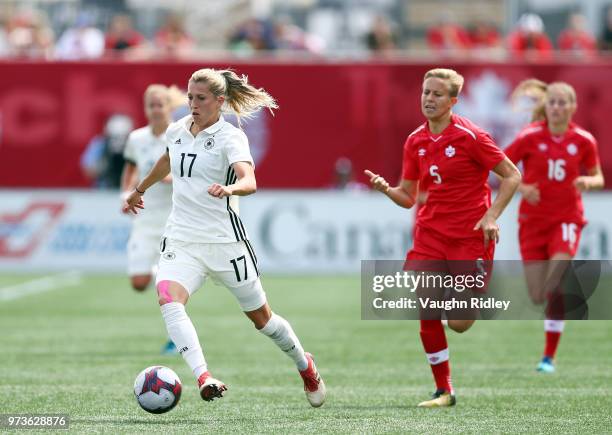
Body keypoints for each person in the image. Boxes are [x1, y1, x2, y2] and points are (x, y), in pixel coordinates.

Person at [124, 68, 326, 406]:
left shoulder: (231, 137)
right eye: (190, 97)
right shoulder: (177, 130)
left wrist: (231, 187)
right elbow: (166, 160)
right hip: (182, 240)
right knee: (168, 299)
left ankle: (305, 366)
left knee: (264, 321)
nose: (193, 104)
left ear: (220, 101)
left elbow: (250, 180)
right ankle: (204, 377)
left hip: (225, 244)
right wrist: (139, 189)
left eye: (200, 98)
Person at [365, 68, 521, 407]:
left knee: (460, 323)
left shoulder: (471, 137)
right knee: (427, 308)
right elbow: (409, 196)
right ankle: (444, 390)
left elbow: (512, 175)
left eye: (437, 94)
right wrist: (387, 190)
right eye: (425, 92)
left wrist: (491, 216)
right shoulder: (415, 140)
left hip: (469, 236)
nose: (429, 99)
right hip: (430, 234)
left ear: (453, 101)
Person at [504, 82, 604, 373]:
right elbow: (501, 167)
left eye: (563, 103)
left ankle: (548, 356)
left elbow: (597, 176)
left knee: (556, 283)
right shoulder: (529, 137)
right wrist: (522, 187)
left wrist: (588, 181)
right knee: (537, 294)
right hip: (532, 223)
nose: (557, 108)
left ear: (573, 107)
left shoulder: (584, 140)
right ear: (545, 107)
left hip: (567, 218)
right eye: (553, 103)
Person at [120, 84, 175, 354]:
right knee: (139, 282)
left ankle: (176, 338)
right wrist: (125, 194)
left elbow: (194, 175)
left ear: (168, 108)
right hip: (144, 219)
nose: (155, 110)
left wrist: (170, 178)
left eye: (159, 105)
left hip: (172, 220)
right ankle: (160, 276)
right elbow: (130, 168)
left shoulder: (181, 135)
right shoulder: (136, 138)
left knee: (168, 286)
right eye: (150, 105)